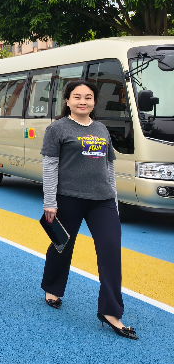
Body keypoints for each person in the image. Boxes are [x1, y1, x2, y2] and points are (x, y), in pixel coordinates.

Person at [41, 80, 137, 339]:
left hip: (102, 201)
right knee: (61, 246)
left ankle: (111, 312)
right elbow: (50, 166)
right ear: (67, 101)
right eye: (77, 97)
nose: (82, 101)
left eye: (88, 97)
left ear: (94, 102)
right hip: (67, 199)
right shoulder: (57, 129)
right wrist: (50, 201)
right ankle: (52, 287)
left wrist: (114, 201)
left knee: (110, 251)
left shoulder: (101, 128)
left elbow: (109, 167)